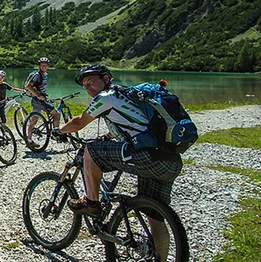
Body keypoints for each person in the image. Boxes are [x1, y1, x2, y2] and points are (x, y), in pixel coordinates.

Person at [57, 64, 183, 260]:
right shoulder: (125, 96)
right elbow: (131, 125)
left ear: (106, 79)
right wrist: (110, 136)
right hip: (169, 160)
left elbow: (79, 121)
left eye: (91, 81)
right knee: (155, 216)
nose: (88, 87)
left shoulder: (105, 97)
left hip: (147, 157)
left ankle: (92, 202)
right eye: (84, 85)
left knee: (91, 149)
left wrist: (59, 130)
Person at [25, 57, 60, 147]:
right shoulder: (37, 75)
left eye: (46, 65)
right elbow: (28, 86)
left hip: (37, 100)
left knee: (34, 120)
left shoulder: (46, 75)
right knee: (56, 114)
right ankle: (56, 134)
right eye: (42, 65)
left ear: (48, 66)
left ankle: (29, 140)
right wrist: (38, 95)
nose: (44, 66)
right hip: (39, 101)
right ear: (39, 66)